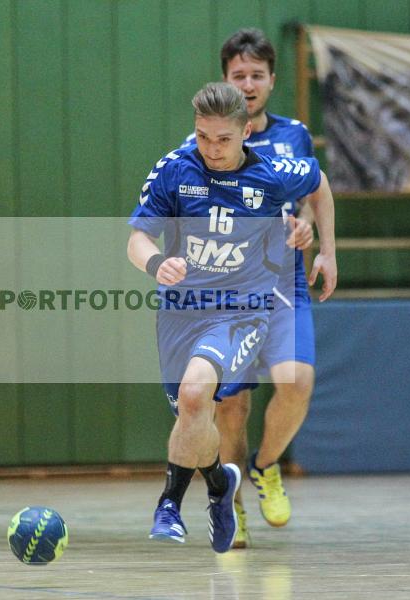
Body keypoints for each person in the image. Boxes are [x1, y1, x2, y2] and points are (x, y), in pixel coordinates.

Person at [128, 82, 334, 553]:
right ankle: (221, 484)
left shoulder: (274, 174)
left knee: (196, 394)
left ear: (245, 133)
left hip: (241, 311)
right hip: (181, 314)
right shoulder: (176, 170)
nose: (212, 149)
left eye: (223, 139)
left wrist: (328, 250)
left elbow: (318, 183)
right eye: (203, 137)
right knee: (194, 415)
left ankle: (169, 505)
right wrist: (158, 263)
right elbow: (138, 238)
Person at [181, 28, 338, 548]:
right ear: (224, 80)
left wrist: (313, 234)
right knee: (232, 406)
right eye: (237, 75)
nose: (247, 83)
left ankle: (266, 466)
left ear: (271, 80)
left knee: (296, 382)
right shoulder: (199, 147)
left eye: (256, 75)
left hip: (280, 283)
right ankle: (230, 505)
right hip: (223, 291)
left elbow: (312, 193)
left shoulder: (292, 135)